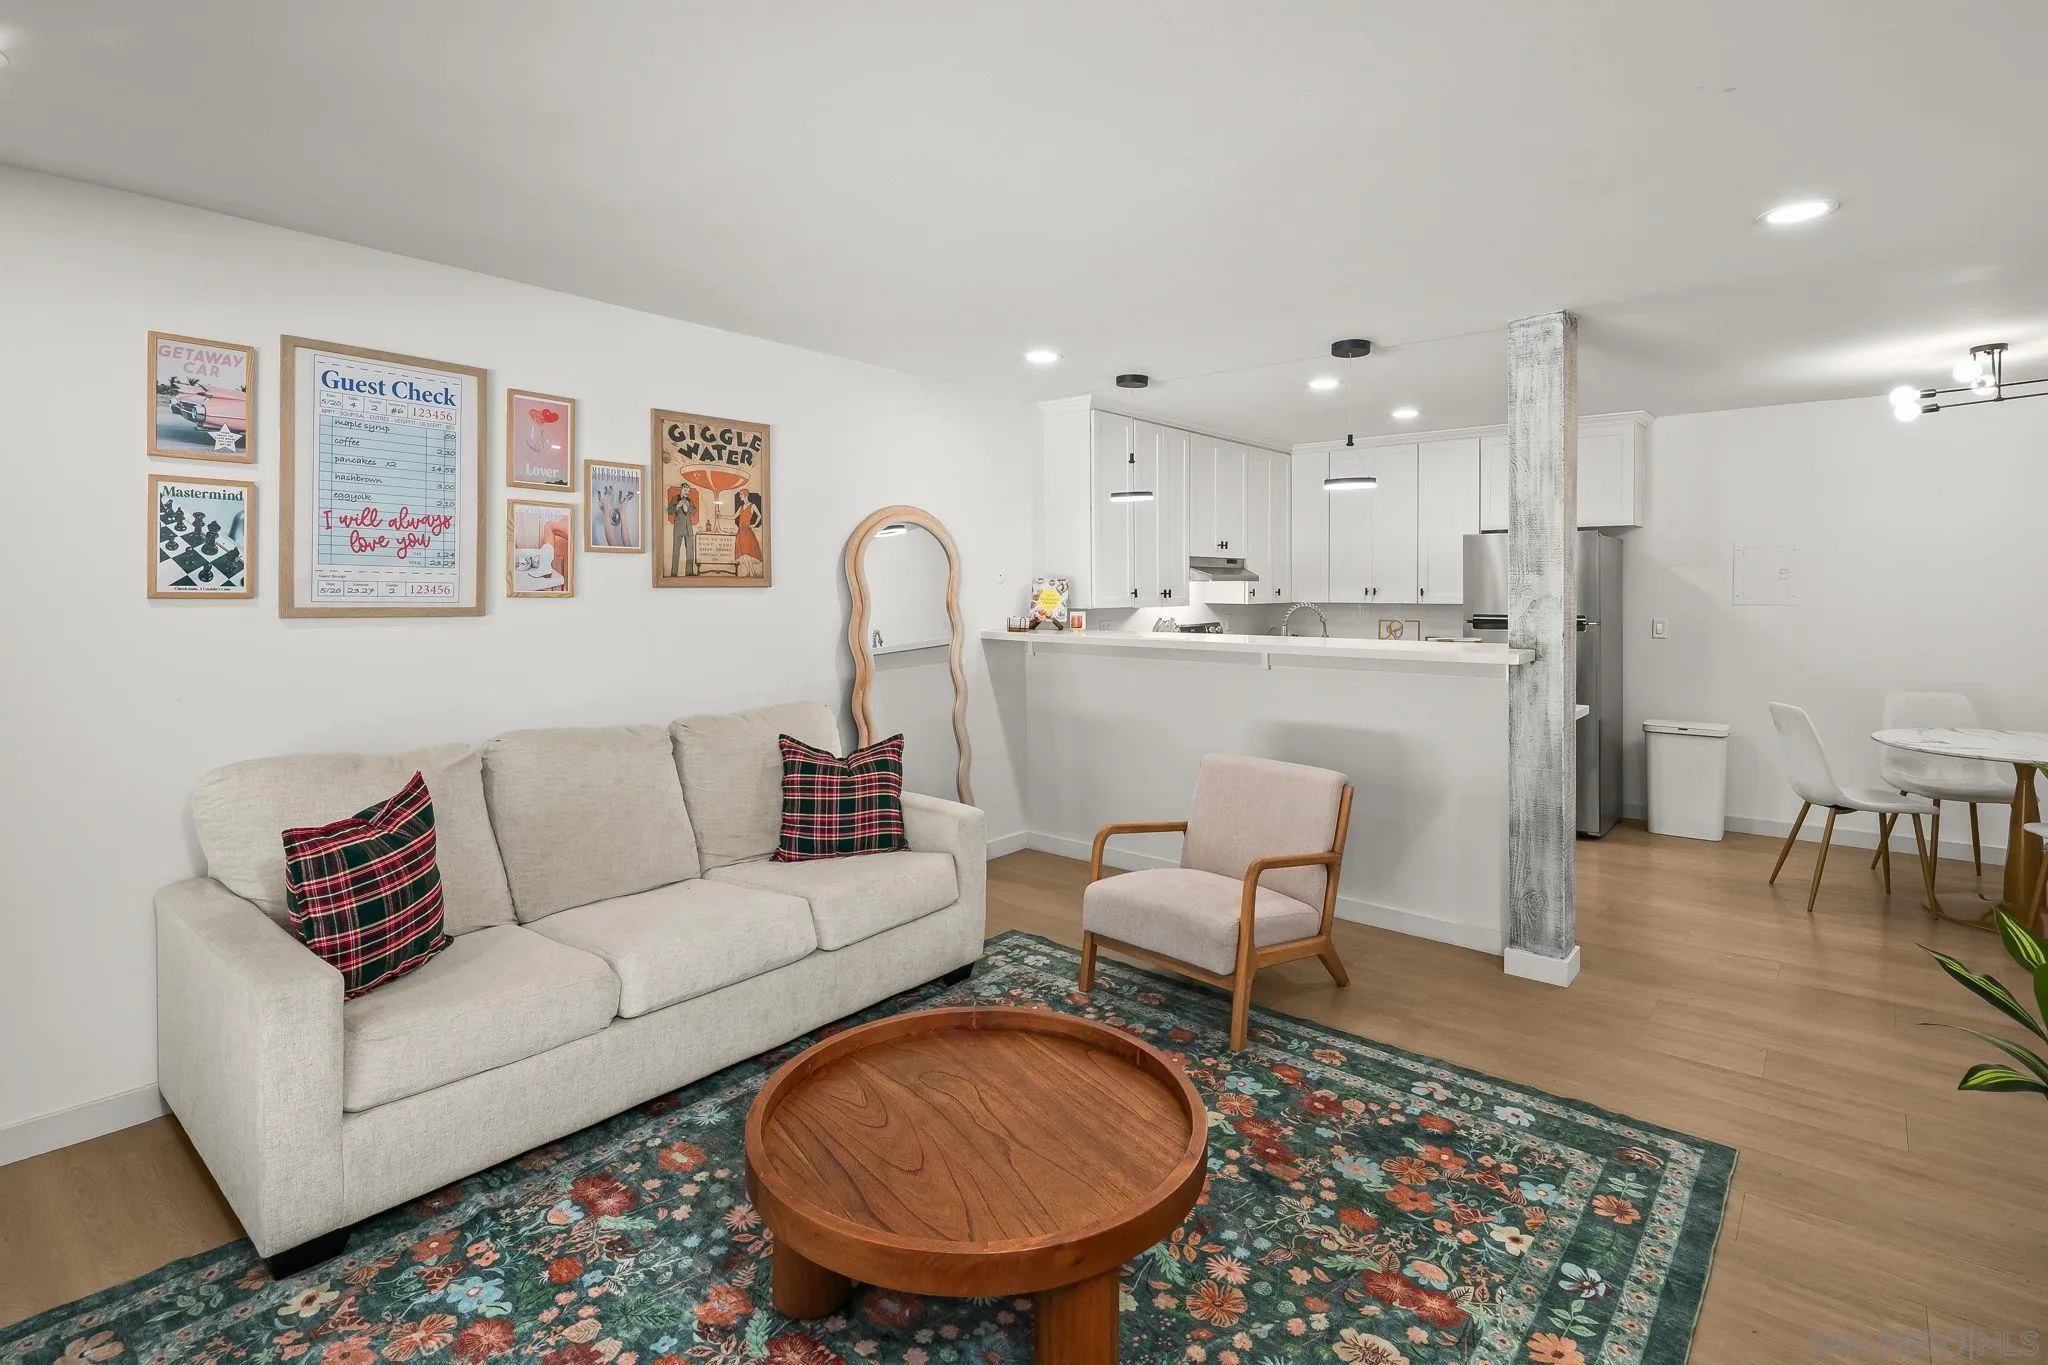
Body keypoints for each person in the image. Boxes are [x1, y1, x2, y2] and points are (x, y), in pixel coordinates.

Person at [666, 482, 697, 578]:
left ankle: (689, 572)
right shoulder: (675, 499)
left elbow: (694, 511)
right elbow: (670, 511)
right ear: (681, 490)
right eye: (685, 490)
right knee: (676, 550)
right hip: (678, 528)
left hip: (688, 529)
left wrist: (688, 507)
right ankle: (674, 573)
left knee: (690, 551)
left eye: (688, 491)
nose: (686, 493)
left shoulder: (689, 500)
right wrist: (678, 506)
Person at [733, 491, 763, 577]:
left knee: (747, 551)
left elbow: (759, 515)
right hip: (741, 531)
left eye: (741, 495)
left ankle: (751, 572)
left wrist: (754, 524)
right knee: (743, 552)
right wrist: (721, 516)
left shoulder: (752, 505)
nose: (740, 497)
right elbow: (734, 517)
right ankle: (750, 572)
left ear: (745, 495)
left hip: (747, 530)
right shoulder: (741, 507)